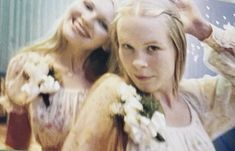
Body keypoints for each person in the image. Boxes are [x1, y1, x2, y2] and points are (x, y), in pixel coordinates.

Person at [62, 0, 235, 150]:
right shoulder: (113, 95)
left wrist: (203, 30)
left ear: (177, 49)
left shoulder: (197, 100)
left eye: (152, 48)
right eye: (127, 47)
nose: (138, 62)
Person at [1, 0, 118, 150]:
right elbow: (16, 145)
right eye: (88, 6)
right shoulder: (26, 66)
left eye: (102, 23)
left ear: (108, 43)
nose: (87, 19)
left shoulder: (112, 85)